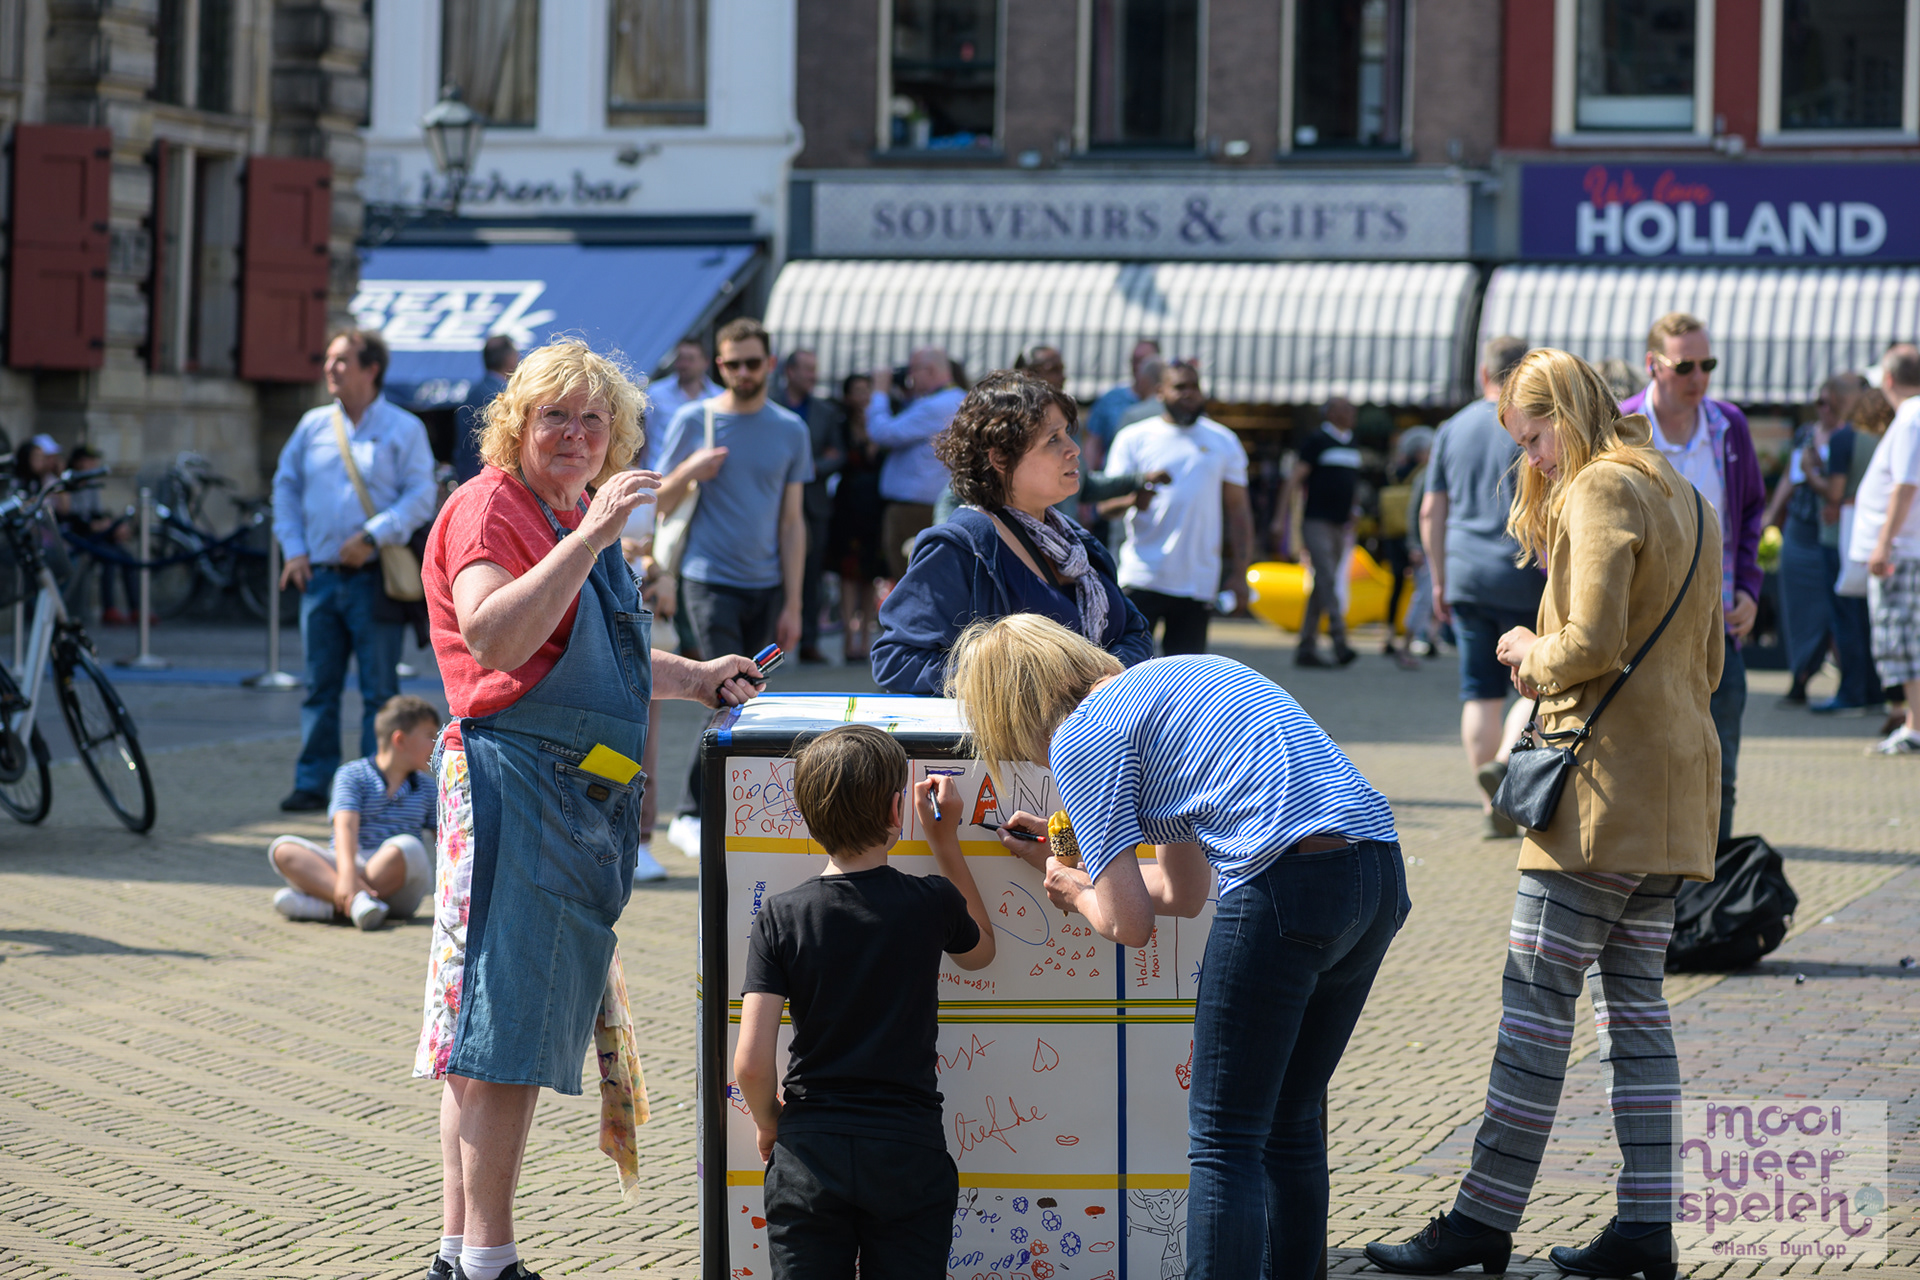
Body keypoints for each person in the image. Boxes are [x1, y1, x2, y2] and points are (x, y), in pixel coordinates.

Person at [1366, 348, 1723, 1280]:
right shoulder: (1684, 493)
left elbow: (1591, 642)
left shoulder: (1602, 488)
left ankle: (1483, 1219)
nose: (1535, 459)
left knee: (1534, 1009)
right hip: (1676, 791)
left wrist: (1528, 649)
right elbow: (1708, 663)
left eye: (1534, 437)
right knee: (1636, 1013)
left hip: (1597, 796)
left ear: (1565, 412)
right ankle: (1645, 1228)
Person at [412, 338, 763, 1280]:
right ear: (515, 425)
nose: (573, 434)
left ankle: (460, 1255)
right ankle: (488, 1262)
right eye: (553, 416)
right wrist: (593, 537)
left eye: (592, 419)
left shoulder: (567, 512)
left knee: (488, 1035)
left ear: (617, 435)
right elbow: (494, 635)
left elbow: (592, 656)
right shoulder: (498, 507)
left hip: (563, 797)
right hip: (515, 790)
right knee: (506, 1038)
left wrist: (694, 677)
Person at [945, 612, 1406, 1280]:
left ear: (1013, 709)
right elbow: (1183, 891)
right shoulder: (1173, 684)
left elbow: (1128, 924)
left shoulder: (1083, 737)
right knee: (1290, 1120)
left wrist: (1072, 891)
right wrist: (1074, 862)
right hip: (1375, 873)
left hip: (1284, 885)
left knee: (1224, 1141)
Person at [734, 726, 995, 1279]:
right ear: (897, 808)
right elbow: (981, 953)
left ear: (808, 814)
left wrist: (768, 1123)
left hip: (809, 1150)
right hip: (907, 1150)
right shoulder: (930, 902)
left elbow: (752, 1062)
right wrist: (946, 844)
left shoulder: (780, 916)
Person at [870, 370, 1152, 694]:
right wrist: (1026, 680)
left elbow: (1136, 632)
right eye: (1053, 439)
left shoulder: (1077, 541)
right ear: (1001, 458)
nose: (1073, 449)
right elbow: (897, 661)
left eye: (1067, 434)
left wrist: (1105, 679)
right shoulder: (961, 547)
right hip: (1015, 745)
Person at [655, 317, 811, 855]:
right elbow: (655, 505)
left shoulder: (791, 428)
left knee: (757, 699)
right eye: (731, 363)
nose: (742, 372)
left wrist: (794, 600)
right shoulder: (693, 420)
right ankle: (696, 811)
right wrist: (689, 471)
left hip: (766, 582)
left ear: (769, 364)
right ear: (717, 366)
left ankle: (730, 806)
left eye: (752, 362)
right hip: (707, 578)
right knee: (725, 693)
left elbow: (792, 522)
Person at [272, 328, 437, 813]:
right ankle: (312, 783)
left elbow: (420, 496)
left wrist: (373, 536)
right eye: (328, 359)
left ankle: (377, 788)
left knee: (378, 692)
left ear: (372, 369)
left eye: (342, 360)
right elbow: (284, 488)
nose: (330, 368)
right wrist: (294, 550)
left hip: (374, 580)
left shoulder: (404, 428)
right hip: (319, 577)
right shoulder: (312, 426)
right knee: (318, 688)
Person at [1621, 312, 1764, 847]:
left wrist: (1750, 588)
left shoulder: (1729, 426)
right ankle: (1645, 895)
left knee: (1717, 773)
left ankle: (1707, 903)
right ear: (1652, 365)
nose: (1699, 377)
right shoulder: (1621, 427)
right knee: (1644, 770)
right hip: (1641, 637)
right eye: (1685, 366)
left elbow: (1750, 512)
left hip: (1716, 632)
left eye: (1708, 364)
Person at [1422, 335, 1544, 838]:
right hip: (1523, 571)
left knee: (1479, 692)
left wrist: (1438, 578)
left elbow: (1433, 509)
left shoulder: (1452, 428)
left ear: (1482, 373)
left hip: (1465, 575)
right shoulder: (1528, 426)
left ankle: (1487, 803)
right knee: (1539, 681)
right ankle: (1504, 765)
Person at [1105, 361, 1252, 656]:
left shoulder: (1223, 440)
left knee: (1185, 685)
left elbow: (1239, 512)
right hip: (1143, 575)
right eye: (1179, 387)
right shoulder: (1134, 438)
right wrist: (1134, 499)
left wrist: (1240, 574)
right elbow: (1105, 505)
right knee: (1127, 670)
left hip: (1197, 582)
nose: (1189, 394)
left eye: (1194, 387)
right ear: (1159, 392)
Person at [267, 693, 439, 929]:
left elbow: (443, 839)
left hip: (399, 885)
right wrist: (347, 874)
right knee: (282, 848)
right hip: (349, 865)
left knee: (409, 846)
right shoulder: (352, 774)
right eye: (430, 735)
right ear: (400, 739)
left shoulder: (428, 786)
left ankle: (330, 905)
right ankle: (359, 905)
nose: (437, 743)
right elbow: (345, 827)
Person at [1764, 373, 1872, 711]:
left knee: (1837, 611)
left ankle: (1850, 684)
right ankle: (1802, 677)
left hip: (1834, 533)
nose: (1823, 408)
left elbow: (1836, 488)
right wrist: (1770, 517)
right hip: (1801, 527)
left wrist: (1815, 474)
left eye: (1829, 402)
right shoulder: (1805, 434)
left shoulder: (1852, 437)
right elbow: (1789, 478)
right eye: (1819, 402)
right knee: (1800, 610)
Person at [1852, 343, 1920, 755]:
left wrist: (1883, 544)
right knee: (1904, 640)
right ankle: (1913, 722)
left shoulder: (1912, 416)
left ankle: (1915, 726)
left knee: (1904, 640)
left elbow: (1906, 484)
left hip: (1902, 552)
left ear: (1889, 379)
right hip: (1905, 549)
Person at [868, 347, 964, 581]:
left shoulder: (934, 405)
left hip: (913, 509)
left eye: (913, 370)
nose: (909, 377)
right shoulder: (958, 398)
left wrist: (879, 393)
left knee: (909, 581)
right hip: (934, 505)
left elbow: (881, 432)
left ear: (930, 370)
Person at [1840, 386, 1903, 738]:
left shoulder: (1859, 439)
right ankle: (1894, 704)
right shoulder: (1896, 435)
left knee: (1883, 631)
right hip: (1890, 549)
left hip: (1882, 551)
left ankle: (1896, 707)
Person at [778, 349, 848, 664]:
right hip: (775, 502)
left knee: (812, 576)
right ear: (789, 372)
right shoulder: (770, 404)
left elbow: (838, 455)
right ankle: (770, 644)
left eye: (815, 370)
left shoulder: (824, 411)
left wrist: (806, 468)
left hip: (814, 504)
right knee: (773, 572)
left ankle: (809, 642)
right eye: (807, 370)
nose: (813, 376)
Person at [1288, 397, 1363, 667]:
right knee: (1328, 577)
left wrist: (1354, 508)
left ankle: (1305, 647)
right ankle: (1339, 640)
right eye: (1346, 408)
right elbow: (1294, 479)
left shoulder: (1352, 441)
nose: (1352, 413)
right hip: (1316, 521)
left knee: (1322, 582)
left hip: (1339, 524)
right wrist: (1281, 518)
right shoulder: (1317, 440)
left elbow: (1350, 483)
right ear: (1331, 413)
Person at [827, 373, 883, 663]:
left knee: (868, 575)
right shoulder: (840, 425)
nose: (863, 397)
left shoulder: (882, 423)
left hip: (874, 505)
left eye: (867, 390)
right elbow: (838, 457)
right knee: (848, 575)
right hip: (849, 504)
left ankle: (866, 640)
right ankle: (850, 640)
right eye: (858, 391)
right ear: (847, 396)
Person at [644, 338, 722, 468]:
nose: (684, 364)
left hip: (702, 478)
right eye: (680, 358)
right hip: (659, 477)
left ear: (706, 362)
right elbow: (642, 436)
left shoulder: (719, 397)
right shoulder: (655, 394)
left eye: (690, 359)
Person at [452, 337, 519, 485]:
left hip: (467, 479)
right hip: (495, 483)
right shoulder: (506, 398)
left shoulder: (470, 394)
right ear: (509, 358)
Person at [1085, 338, 1163, 451]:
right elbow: (1093, 440)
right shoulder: (1110, 400)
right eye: (1134, 360)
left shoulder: (1169, 402)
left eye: (1143, 361)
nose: (1137, 366)